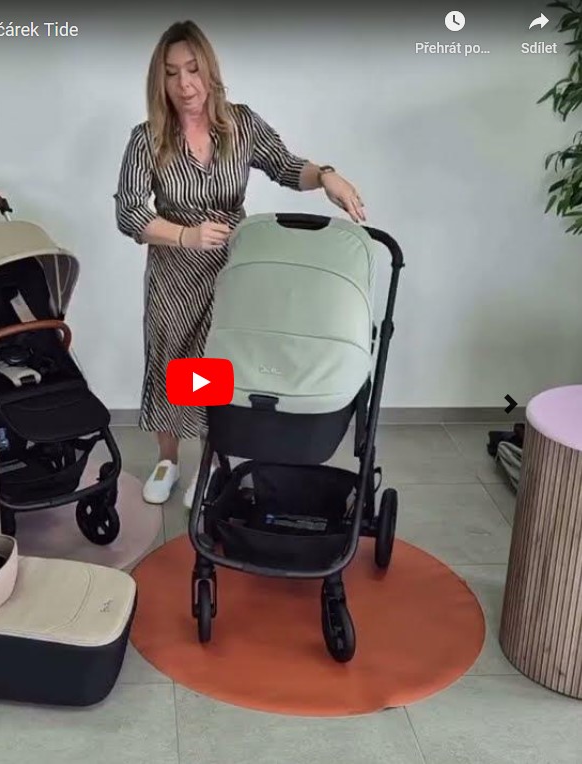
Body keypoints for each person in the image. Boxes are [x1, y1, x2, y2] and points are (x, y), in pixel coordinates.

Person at [114, 20, 366, 507]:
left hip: (232, 271)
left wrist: (327, 176)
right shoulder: (147, 138)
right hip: (173, 273)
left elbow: (286, 166)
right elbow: (128, 213)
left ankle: (210, 461)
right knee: (172, 360)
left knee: (215, 365)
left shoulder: (240, 124)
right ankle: (168, 458)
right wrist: (185, 235)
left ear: (209, 70)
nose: (185, 84)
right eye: (172, 73)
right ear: (160, 80)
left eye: (193, 69)